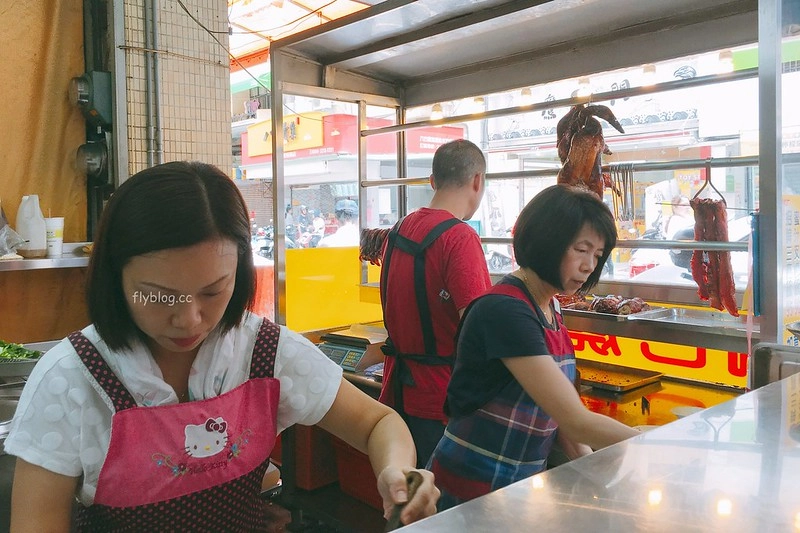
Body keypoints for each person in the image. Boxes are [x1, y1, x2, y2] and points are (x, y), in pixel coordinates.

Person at [5, 161, 439, 531]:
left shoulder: (263, 352)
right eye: (159, 294)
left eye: (213, 292)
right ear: (114, 278)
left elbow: (376, 423)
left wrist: (397, 472)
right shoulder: (72, 378)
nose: (189, 318)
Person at [428, 184, 641, 510]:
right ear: (548, 241)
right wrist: (651, 444)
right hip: (469, 489)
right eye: (581, 250)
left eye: (597, 255)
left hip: (517, 491)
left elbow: (560, 418)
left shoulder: (549, 307)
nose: (589, 266)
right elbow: (575, 420)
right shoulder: (505, 309)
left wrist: (588, 464)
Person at [379, 139, 492, 468]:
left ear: (432, 181)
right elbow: (480, 328)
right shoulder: (459, 237)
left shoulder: (399, 229)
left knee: (409, 495)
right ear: (477, 181)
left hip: (398, 391)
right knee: (443, 507)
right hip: (440, 401)